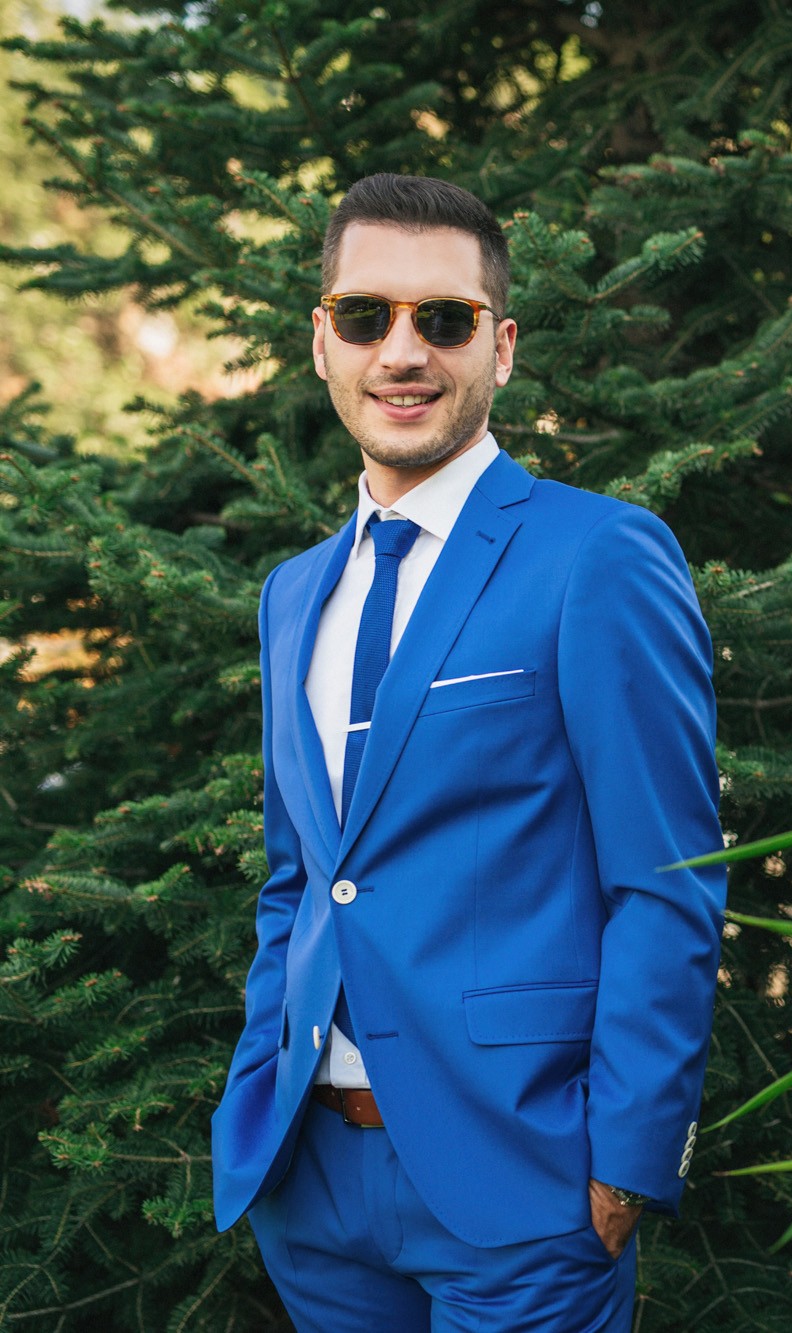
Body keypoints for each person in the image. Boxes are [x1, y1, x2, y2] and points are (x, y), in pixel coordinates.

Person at [208, 173, 727, 1331]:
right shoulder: (294, 594)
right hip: (310, 1186)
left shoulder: (598, 555)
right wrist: (257, 1081)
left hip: (523, 1185)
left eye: (443, 319)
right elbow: (300, 879)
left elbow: (665, 880)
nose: (402, 352)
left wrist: (629, 1157)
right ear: (322, 342)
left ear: (501, 347)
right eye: (365, 317)